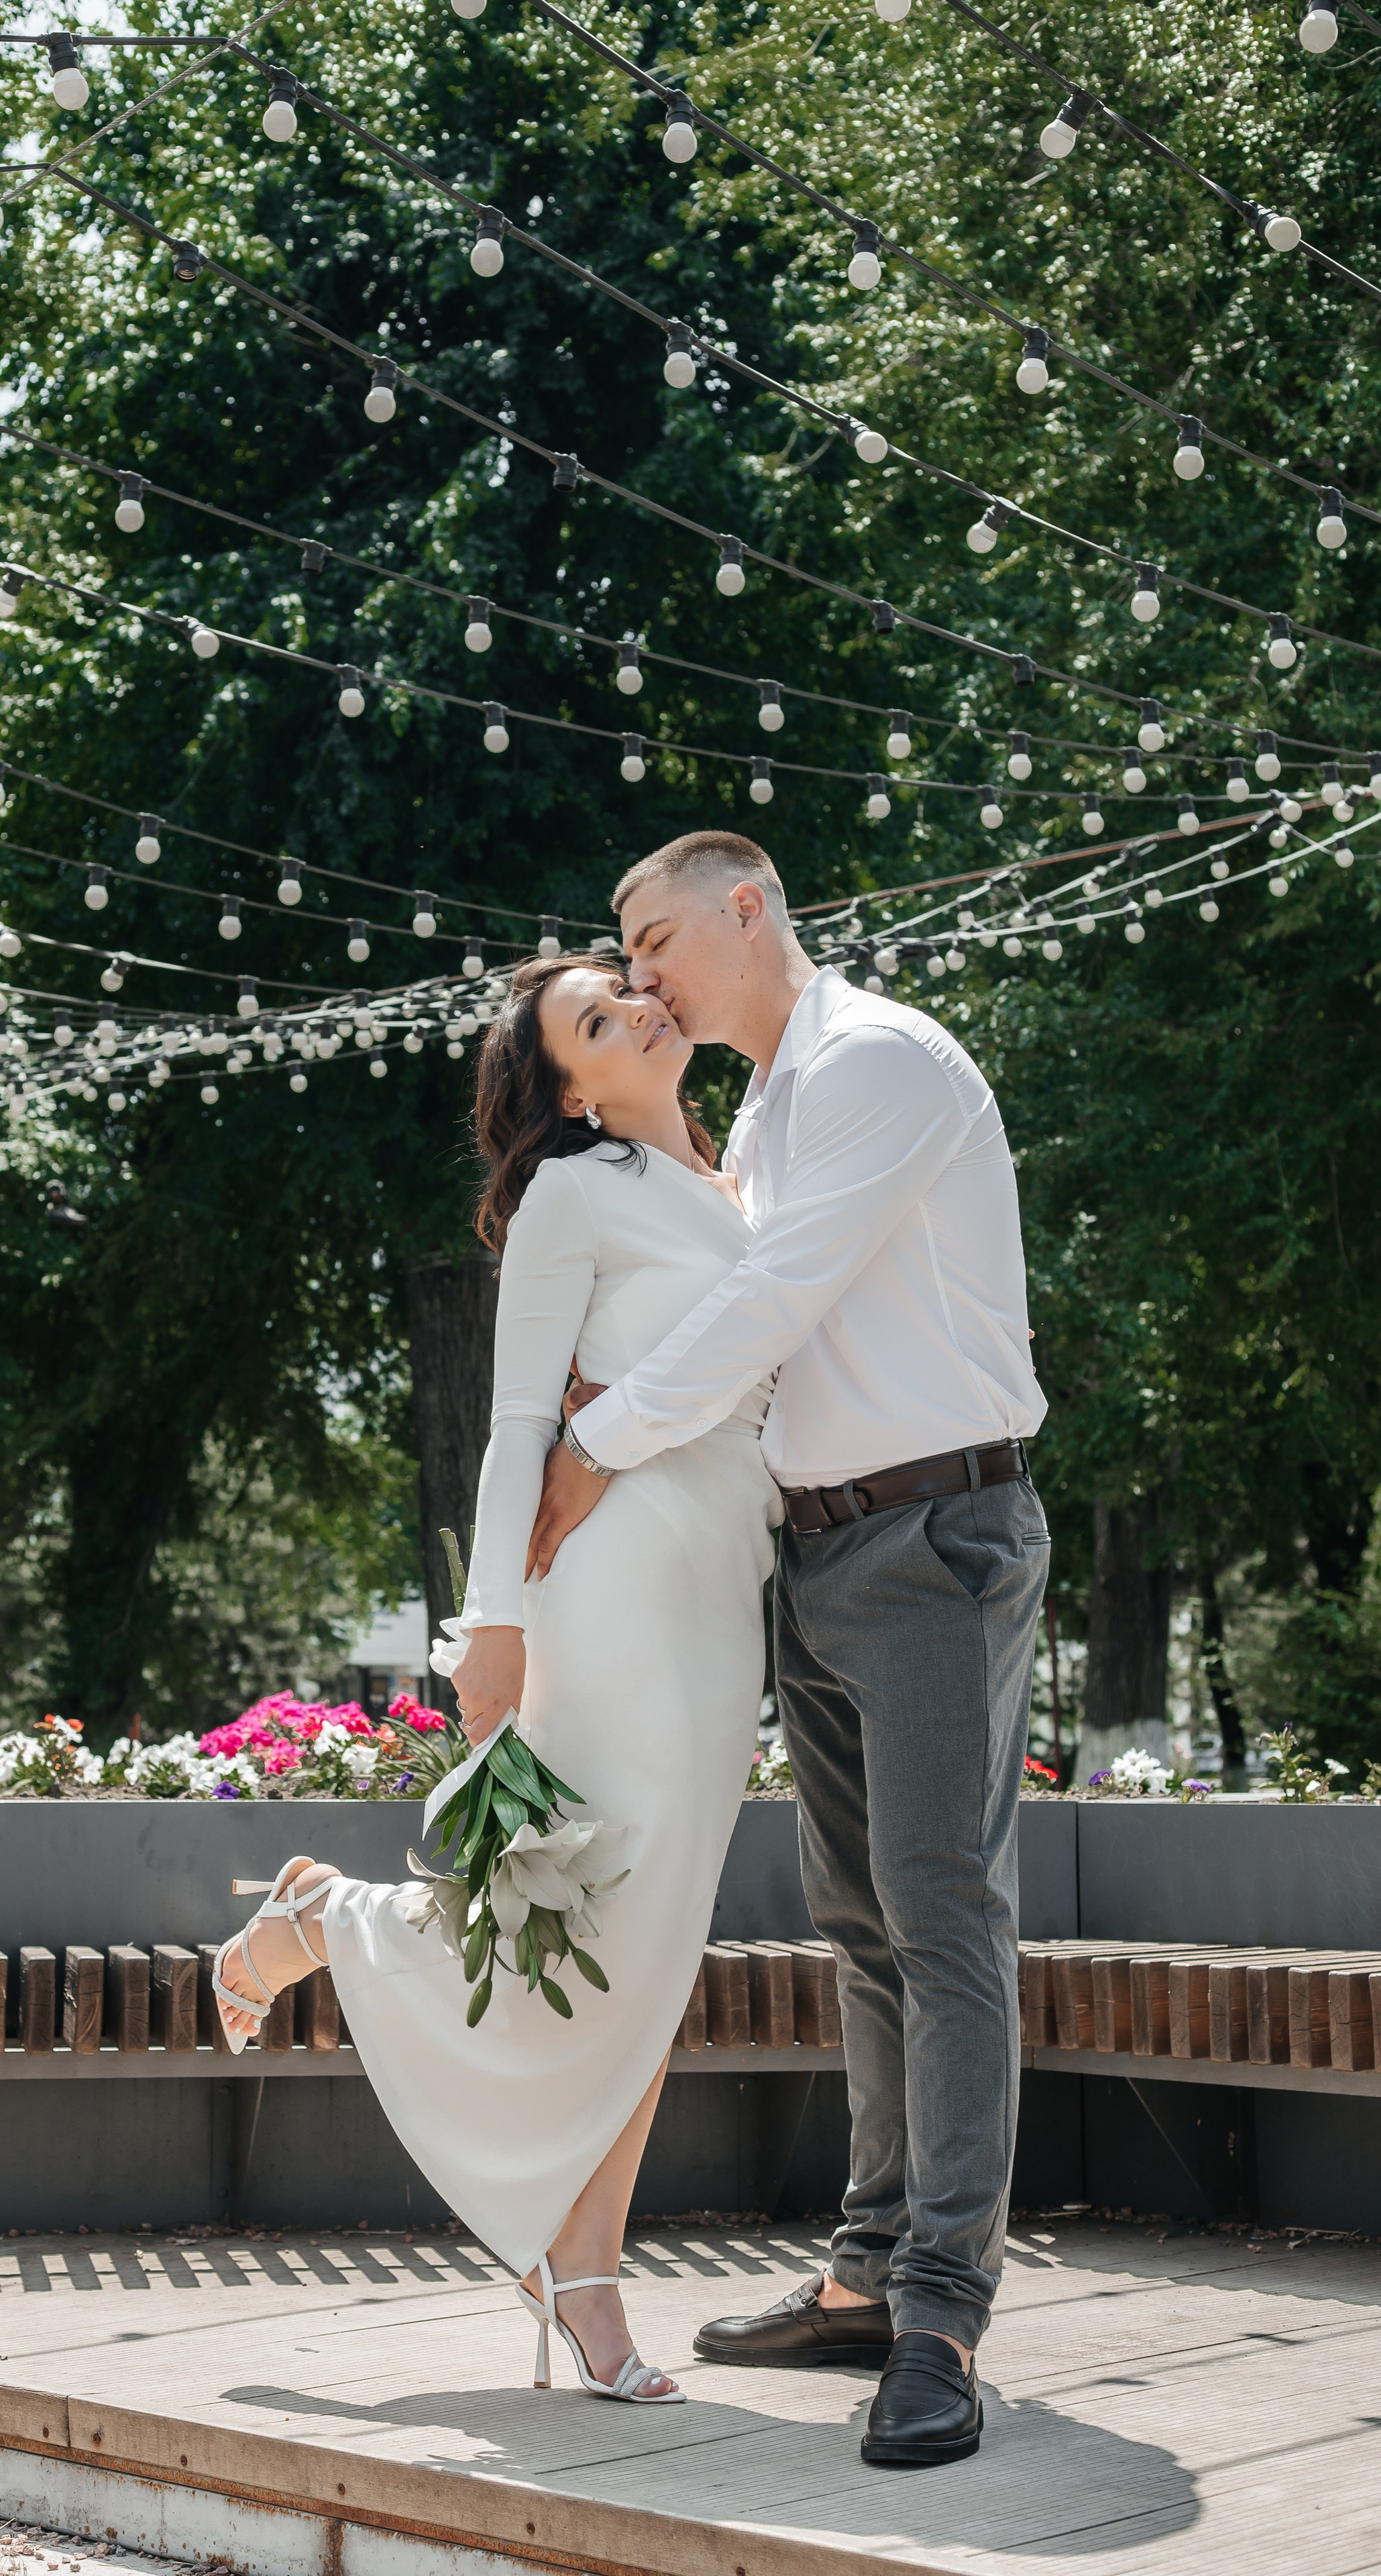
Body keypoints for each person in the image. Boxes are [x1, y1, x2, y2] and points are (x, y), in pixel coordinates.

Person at [528, 828, 1050, 2470]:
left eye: (656, 935)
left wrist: (594, 1443)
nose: (643, 975)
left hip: (933, 1539)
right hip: (816, 1546)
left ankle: (943, 2317)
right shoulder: (763, 1112)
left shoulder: (880, 1061)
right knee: (859, 1918)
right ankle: (867, 2270)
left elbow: (767, 1305)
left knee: (940, 1914)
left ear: (746, 908)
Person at [209, 951, 781, 2406]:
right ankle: (330, 1927)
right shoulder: (571, 1196)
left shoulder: (747, 1180)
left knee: (643, 1961)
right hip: (610, 1598)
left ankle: (568, 2255)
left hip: (725, 1602)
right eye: (596, 1022)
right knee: (597, 1925)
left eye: (630, 991)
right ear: (571, 1089)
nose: (639, 1011)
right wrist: (491, 1626)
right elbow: (517, 1417)